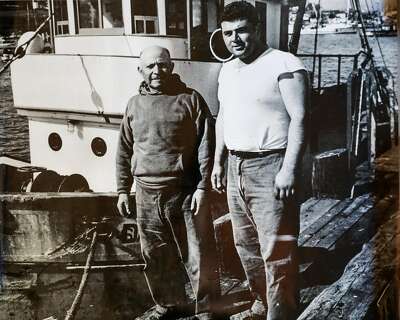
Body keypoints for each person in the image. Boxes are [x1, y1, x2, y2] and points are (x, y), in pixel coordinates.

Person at [211, 2, 308, 320]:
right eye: (227, 33)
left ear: (256, 29)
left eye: (241, 31)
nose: (234, 39)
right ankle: (260, 302)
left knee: (276, 247)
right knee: (245, 244)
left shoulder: (284, 63)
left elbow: (300, 118)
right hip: (235, 166)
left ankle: (280, 313)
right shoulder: (227, 69)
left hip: (271, 166)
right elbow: (223, 117)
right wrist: (217, 162)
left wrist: (289, 169)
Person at [116, 46, 217, 320]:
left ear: (171, 67)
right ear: (141, 71)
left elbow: (206, 147)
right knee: (155, 256)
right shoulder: (133, 104)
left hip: (183, 193)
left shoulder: (191, 100)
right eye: (150, 66)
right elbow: (124, 150)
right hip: (146, 196)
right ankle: (168, 303)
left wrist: (203, 187)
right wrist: (123, 191)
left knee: (197, 254)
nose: (157, 71)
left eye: (162, 65)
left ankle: (206, 308)